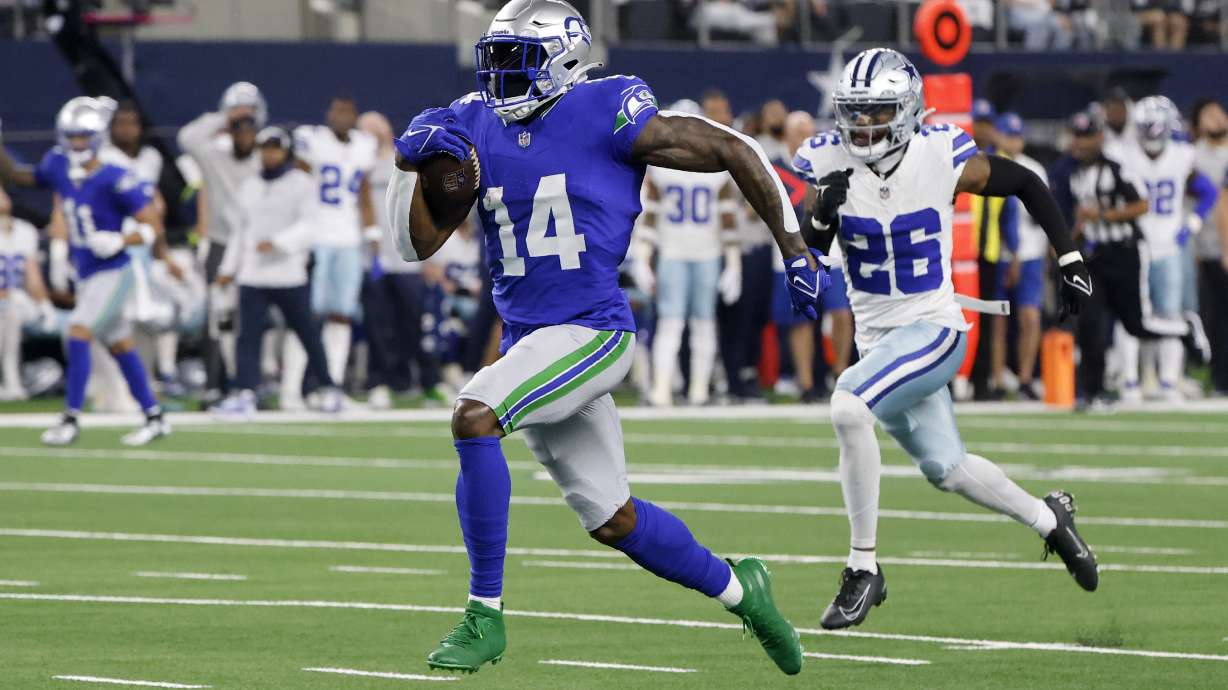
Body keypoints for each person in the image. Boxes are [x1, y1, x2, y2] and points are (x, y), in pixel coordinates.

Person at [386, 0, 826, 674]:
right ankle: (746, 592)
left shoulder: (606, 110)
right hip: (532, 343)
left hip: (591, 331)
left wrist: (794, 246)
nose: (499, 78)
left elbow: (735, 148)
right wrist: (412, 169)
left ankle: (484, 614)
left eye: (516, 62)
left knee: (474, 416)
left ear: (562, 62)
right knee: (612, 519)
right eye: (494, 62)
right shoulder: (473, 123)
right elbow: (414, 242)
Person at [793, 48, 1099, 631]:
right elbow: (811, 258)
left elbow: (1027, 182)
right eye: (854, 113)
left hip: (934, 328)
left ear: (907, 111)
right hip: (879, 340)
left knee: (847, 404)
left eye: (877, 112)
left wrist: (1070, 255)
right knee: (948, 469)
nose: (862, 126)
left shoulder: (940, 154)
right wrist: (818, 221)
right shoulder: (825, 160)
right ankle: (1049, 520)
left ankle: (864, 568)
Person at [0, 97, 169, 446]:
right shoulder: (59, 165)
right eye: (71, 136)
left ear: (96, 137)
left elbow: (152, 225)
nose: (76, 143)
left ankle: (70, 419)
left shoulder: (116, 177)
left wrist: (123, 239)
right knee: (121, 345)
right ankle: (154, 417)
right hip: (88, 272)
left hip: (115, 270)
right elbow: (19, 177)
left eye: (82, 137)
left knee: (77, 334)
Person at [1062, 110, 1192, 409]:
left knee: (1135, 324)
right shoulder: (1076, 172)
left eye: (1086, 136)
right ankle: (1091, 390)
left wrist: (1104, 215)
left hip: (1125, 253)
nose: (1080, 143)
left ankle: (1186, 331)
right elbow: (1083, 218)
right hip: (1094, 256)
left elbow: (1142, 204)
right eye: (1077, 136)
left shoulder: (1117, 168)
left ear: (1100, 137)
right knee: (1090, 321)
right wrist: (1066, 244)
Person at [209, 127, 342, 418]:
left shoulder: (302, 184)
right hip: (253, 275)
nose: (269, 154)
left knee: (308, 333)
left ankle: (329, 389)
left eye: (275, 148)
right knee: (248, 336)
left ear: (286, 151)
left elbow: (311, 226)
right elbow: (240, 233)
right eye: (264, 148)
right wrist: (228, 268)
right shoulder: (249, 186)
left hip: (288, 274)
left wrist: (279, 243)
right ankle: (245, 393)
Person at [637, 100, 741, 407]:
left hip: (704, 253)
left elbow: (726, 218)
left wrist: (734, 264)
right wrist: (643, 260)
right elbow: (651, 216)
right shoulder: (662, 168)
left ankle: (698, 391)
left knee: (702, 324)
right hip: (674, 252)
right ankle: (663, 390)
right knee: (674, 323)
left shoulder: (714, 166)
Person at [1114, 96, 1217, 402]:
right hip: (1137, 245)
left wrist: (1193, 224)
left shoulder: (1182, 155)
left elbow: (1208, 192)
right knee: (1132, 314)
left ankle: (1168, 381)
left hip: (1170, 244)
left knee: (1170, 314)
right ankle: (1130, 379)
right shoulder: (1124, 155)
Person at [284, 96, 379, 403]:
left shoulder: (364, 145)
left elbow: (364, 194)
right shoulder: (312, 141)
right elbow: (295, 186)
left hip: (348, 239)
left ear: (354, 116)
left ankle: (331, 387)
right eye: (336, 110)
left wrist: (372, 235)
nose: (341, 116)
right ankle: (292, 389)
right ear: (328, 114)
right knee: (306, 316)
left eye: (347, 112)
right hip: (315, 237)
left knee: (341, 316)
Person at [177, 82, 264, 403]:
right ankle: (216, 383)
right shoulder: (215, 155)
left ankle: (249, 383)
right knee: (219, 318)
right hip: (221, 243)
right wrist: (224, 117)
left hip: (255, 248)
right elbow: (187, 138)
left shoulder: (266, 155)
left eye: (249, 122)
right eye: (237, 125)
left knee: (252, 320)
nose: (243, 131)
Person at [359, 111, 441, 409]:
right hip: (374, 261)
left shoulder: (408, 162)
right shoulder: (360, 166)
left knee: (413, 324)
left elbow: (426, 208)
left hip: (408, 259)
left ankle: (415, 381)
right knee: (379, 328)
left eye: (375, 128)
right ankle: (380, 382)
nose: (372, 134)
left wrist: (433, 255)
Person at [994, 112, 1049, 399]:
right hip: (999, 254)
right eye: (1008, 134)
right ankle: (998, 378)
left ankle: (1025, 378)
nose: (1013, 141)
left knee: (1030, 316)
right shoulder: (988, 167)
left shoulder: (1035, 170)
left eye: (1017, 136)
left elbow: (1045, 216)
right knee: (998, 320)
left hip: (1031, 252)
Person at [0, 185, 55, 400]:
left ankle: (12, 379)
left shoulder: (25, 230)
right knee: (8, 311)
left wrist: (44, 304)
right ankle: (10, 377)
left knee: (11, 308)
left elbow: (32, 275)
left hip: (19, 301)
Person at [1190, 97, 1228, 395]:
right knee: (1215, 316)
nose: (1216, 118)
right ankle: (1218, 378)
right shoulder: (1193, 156)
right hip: (1208, 246)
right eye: (1208, 115)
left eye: (1219, 112)